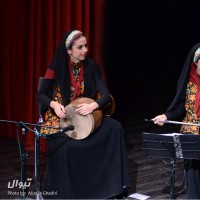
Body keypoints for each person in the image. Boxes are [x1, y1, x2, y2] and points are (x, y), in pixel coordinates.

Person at [38, 30, 132, 199]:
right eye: (80, 47)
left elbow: (104, 94)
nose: (85, 50)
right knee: (67, 148)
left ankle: (113, 186)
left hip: (83, 115)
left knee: (115, 128)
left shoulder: (90, 66)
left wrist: (93, 106)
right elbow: (41, 95)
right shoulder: (56, 67)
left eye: (86, 45)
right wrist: (54, 104)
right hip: (61, 118)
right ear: (69, 50)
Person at [152, 43, 200, 199]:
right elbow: (181, 108)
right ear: (196, 61)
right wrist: (165, 117)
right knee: (192, 154)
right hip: (191, 129)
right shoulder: (189, 84)